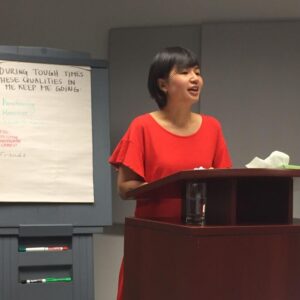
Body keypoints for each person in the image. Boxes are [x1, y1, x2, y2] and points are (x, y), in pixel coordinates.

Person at [109, 46, 232, 300]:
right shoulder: (142, 126)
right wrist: (171, 185)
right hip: (154, 241)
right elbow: (124, 188)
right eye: (185, 72)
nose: (195, 78)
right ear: (163, 84)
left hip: (198, 242)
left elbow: (225, 183)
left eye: (197, 72)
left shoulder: (212, 127)